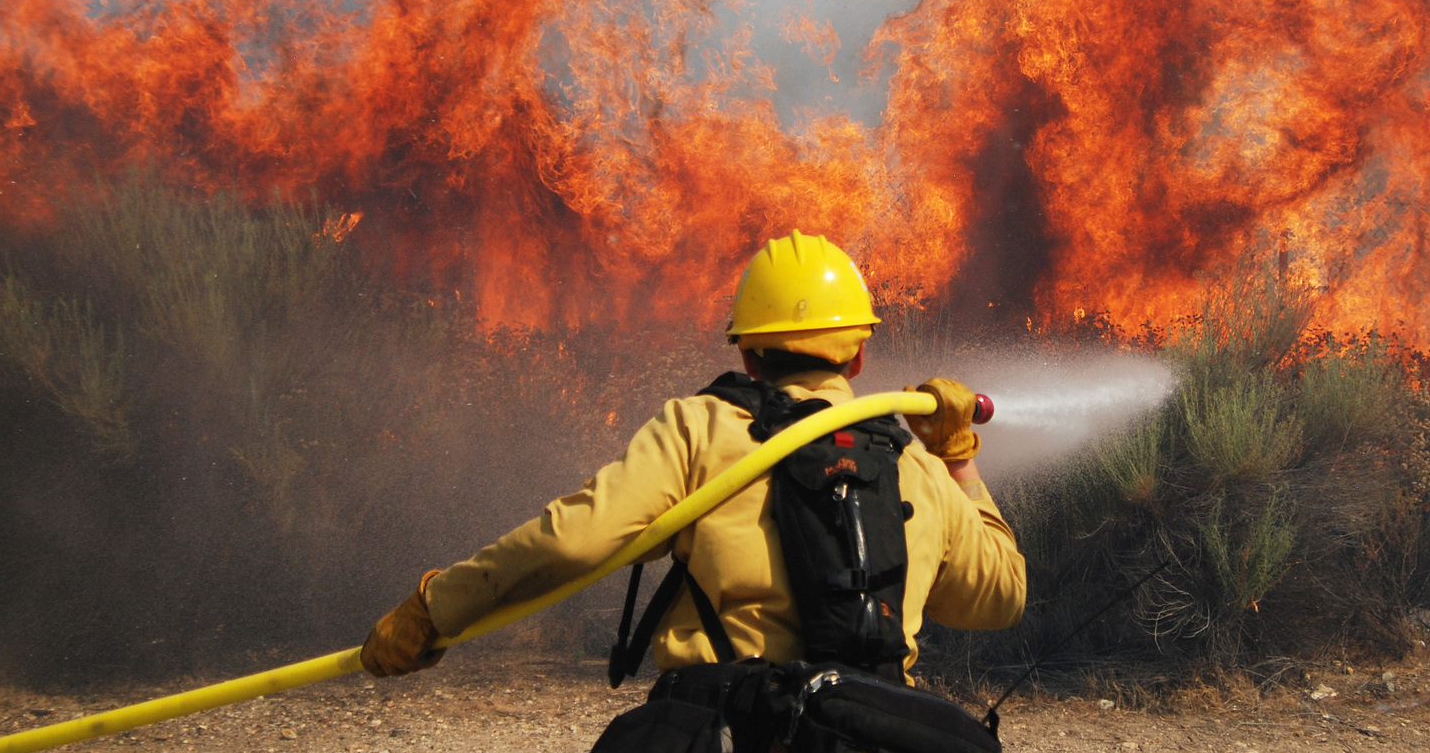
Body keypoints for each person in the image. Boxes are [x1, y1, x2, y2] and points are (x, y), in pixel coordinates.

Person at [360, 228, 1026, 685]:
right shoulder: (910, 459)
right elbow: (1001, 595)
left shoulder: (700, 429)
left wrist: (435, 607)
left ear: (745, 350)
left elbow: (573, 542)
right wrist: (957, 454)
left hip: (728, 747)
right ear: (858, 355)